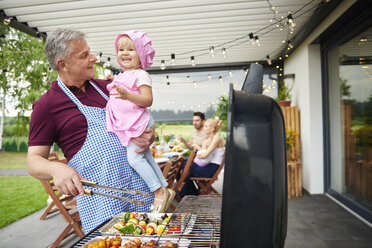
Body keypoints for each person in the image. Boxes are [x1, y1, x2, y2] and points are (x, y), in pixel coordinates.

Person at [27, 28, 159, 233]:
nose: (94, 58)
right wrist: (56, 169)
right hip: (104, 202)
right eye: (84, 55)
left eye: (90, 52)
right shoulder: (47, 106)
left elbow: (140, 114)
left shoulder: (110, 87)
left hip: (140, 190)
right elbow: (33, 161)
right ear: (63, 64)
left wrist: (150, 134)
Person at [106, 30, 174, 213]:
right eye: (121, 49)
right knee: (146, 156)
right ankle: (165, 188)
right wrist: (113, 80)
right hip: (133, 123)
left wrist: (127, 95)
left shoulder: (141, 75)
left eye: (131, 49)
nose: (125, 53)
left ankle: (158, 192)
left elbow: (147, 100)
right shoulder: (123, 74)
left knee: (135, 159)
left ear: (141, 54)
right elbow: (120, 87)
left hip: (139, 122)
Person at [178, 118, 225, 198]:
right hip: (209, 167)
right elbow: (204, 153)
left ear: (212, 129)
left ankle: (184, 190)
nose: (204, 128)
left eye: (206, 126)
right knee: (184, 163)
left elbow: (205, 155)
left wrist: (196, 156)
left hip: (211, 170)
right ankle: (189, 192)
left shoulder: (217, 139)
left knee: (186, 165)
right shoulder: (213, 138)